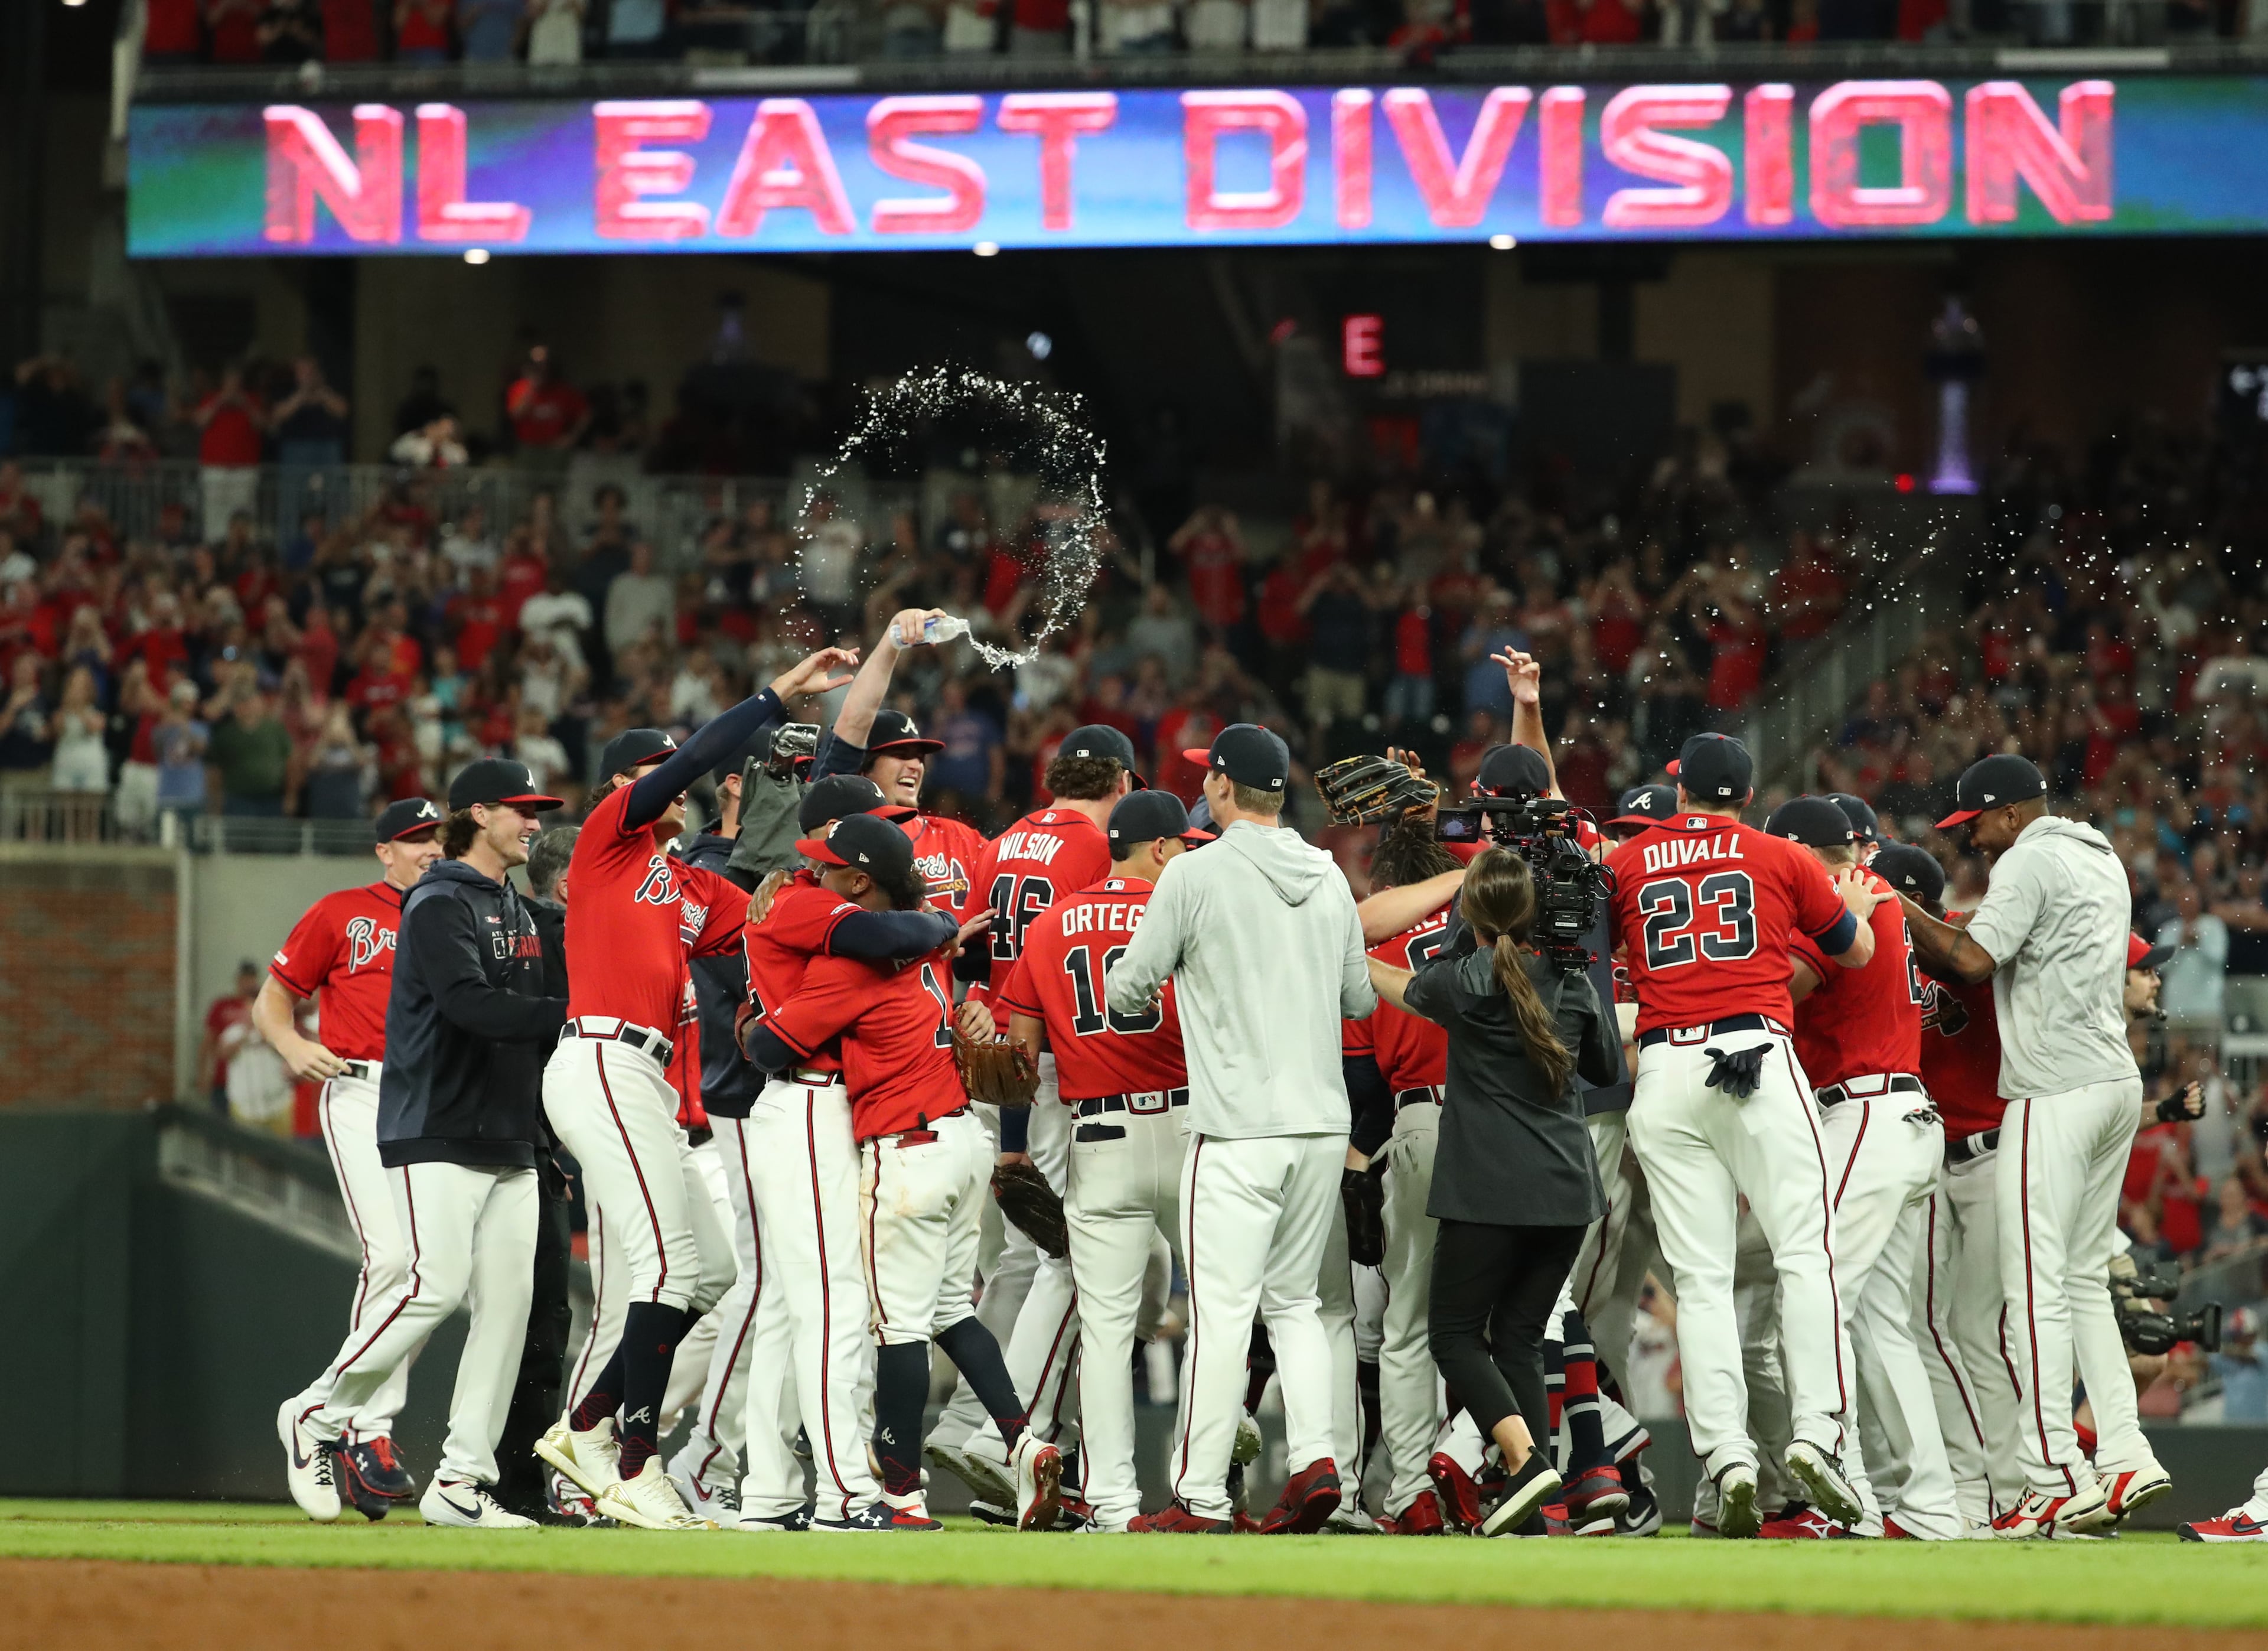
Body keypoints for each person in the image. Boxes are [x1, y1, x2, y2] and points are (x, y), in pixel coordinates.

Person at [535, 647, 855, 1531]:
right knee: (670, 1263)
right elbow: (692, 761)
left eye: (664, 768)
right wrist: (773, 697)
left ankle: (588, 1427)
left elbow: (769, 921)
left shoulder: (687, 884)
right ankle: (635, 1465)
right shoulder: (607, 842)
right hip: (599, 1058)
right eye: (652, 768)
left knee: (710, 1268)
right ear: (619, 787)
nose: (669, 778)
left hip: (641, 1077)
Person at [742, 812, 1063, 1533]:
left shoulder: (853, 962)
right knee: (951, 1307)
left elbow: (769, 1046)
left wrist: (750, 1018)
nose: (813, 876)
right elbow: (925, 934)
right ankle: (1023, 1440)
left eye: (826, 868)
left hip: (906, 1152)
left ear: (862, 882)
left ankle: (901, 1497)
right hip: (965, 1140)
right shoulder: (933, 945)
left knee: (897, 1328)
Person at [277, 758, 568, 1529]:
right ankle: (317, 1408)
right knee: (431, 1284)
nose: (534, 822)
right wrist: (567, 1015)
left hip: (506, 1127)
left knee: (508, 1306)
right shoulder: (437, 900)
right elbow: (471, 1004)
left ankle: (461, 1480)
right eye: (522, 809)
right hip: (434, 1118)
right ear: (478, 814)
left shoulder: (516, 902)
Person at [1608, 731, 1884, 1538]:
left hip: (1662, 1066)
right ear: (1747, 794)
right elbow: (1856, 950)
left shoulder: (1626, 863)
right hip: (1755, 1053)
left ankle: (1727, 1452)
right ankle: (1818, 1434)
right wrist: (1848, 910)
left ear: (1682, 788)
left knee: (1699, 1277)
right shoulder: (1780, 855)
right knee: (1806, 1252)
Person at [1106, 724, 1377, 1534]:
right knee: (1296, 1302)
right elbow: (1360, 1000)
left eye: (1206, 778)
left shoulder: (1193, 872)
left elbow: (1128, 990)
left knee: (1223, 1313)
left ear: (1223, 786)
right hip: (1322, 1127)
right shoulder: (1330, 875)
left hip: (1236, 1130)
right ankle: (1317, 1462)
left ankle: (1199, 1495)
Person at [1898, 754, 2168, 1538]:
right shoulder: (2098, 852)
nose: (1973, 839)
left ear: (2011, 813)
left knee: (2034, 1284)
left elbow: (1972, 961)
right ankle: (2123, 1449)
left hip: (2053, 1089)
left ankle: (2053, 1472)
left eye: (1975, 822)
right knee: (2083, 1277)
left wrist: (1892, 903)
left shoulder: (2027, 859)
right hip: (2113, 1079)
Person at [722, 774, 972, 1530]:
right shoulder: (812, 907)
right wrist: (936, 923)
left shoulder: (808, 902)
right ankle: (842, 1494)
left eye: (828, 859)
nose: (814, 867)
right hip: (805, 1102)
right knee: (834, 1305)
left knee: (789, 1312)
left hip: (806, 1105)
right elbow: (883, 939)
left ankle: (768, 1490)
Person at [1367, 848, 1619, 1537]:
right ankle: (1538, 1508)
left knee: (1452, 1335)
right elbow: (1605, 1070)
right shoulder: (1571, 983)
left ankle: (1526, 1458)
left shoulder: (1461, 981)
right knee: (1517, 1336)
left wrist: (1341, 953)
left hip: (1488, 1191)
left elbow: (1394, 983)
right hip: (1569, 1192)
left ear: (1469, 916)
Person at [926, 722, 1140, 1515]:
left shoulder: (1003, 840)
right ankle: (1001, 1429)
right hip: (1047, 1060)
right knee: (1070, 1254)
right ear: (1119, 779)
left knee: (1021, 1256)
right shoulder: (1096, 845)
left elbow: (975, 957)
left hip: (990, 1052)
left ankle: (992, 1429)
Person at [995, 789, 1206, 1533]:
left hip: (1099, 1135)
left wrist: (1012, 1139)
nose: (1186, 853)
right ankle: (1202, 1486)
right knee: (1219, 1311)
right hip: (1188, 1125)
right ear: (1155, 848)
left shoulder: (1051, 925)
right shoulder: (1183, 909)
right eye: (1180, 843)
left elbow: (1019, 1059)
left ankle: (1112, 1502)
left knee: (1107, 1330)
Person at [1768, 796, 1957, 1541]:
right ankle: (1932, 1506)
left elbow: (1782, 985)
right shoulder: (1880, 893)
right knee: (1883, 1326)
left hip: (1866, 1111)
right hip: (1903, 1116)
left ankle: (1841, 1494)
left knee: (1818, 1295)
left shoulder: (1850, 899)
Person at [267, 798, 445, 1520]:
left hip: (437, 1103)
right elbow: (273, 999)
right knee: (394, 1259)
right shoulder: (342, 910)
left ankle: (345, 1419)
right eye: (414, 839)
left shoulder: (457, 910)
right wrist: (289, 1044)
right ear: (384, 851)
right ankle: (362, 1427)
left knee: (435, 1274)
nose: (428, 849)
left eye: (437, 837)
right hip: (361, 1091)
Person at [1875, 841, 2023, 1534]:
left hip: (1996, 1150)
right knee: (1932, 1325)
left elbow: (1971, 951)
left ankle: (2017, 1484)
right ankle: (1977, 1484)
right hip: (1931, 1151)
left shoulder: (1965, 935)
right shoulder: (1870, 951)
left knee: (1985, 1328)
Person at [1342, 819, 1459, 1536]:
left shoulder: (1377, 946)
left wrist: (1361, 1168)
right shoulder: (1499, 922)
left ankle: (1413, 1487)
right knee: (1511, 1319)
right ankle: (1482, 1464)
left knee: (1408, 1325)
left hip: (1417, 1122)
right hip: (1505, 1124)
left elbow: (1366, 1090)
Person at [492, 822, 587, 1524]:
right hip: (518, 1149)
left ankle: (507, 1480)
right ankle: (507, 1483)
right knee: (534, 1320)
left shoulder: (514, 929)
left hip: (526, 1146)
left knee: (526, 1319)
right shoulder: (551, 935)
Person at [816, 608, 990, 923]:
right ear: (863, 770)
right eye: (900, 755)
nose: (914, 765)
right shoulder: (842, 833)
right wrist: (891, 642)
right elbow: (856, 720)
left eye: (919, 757)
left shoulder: (959, 837)